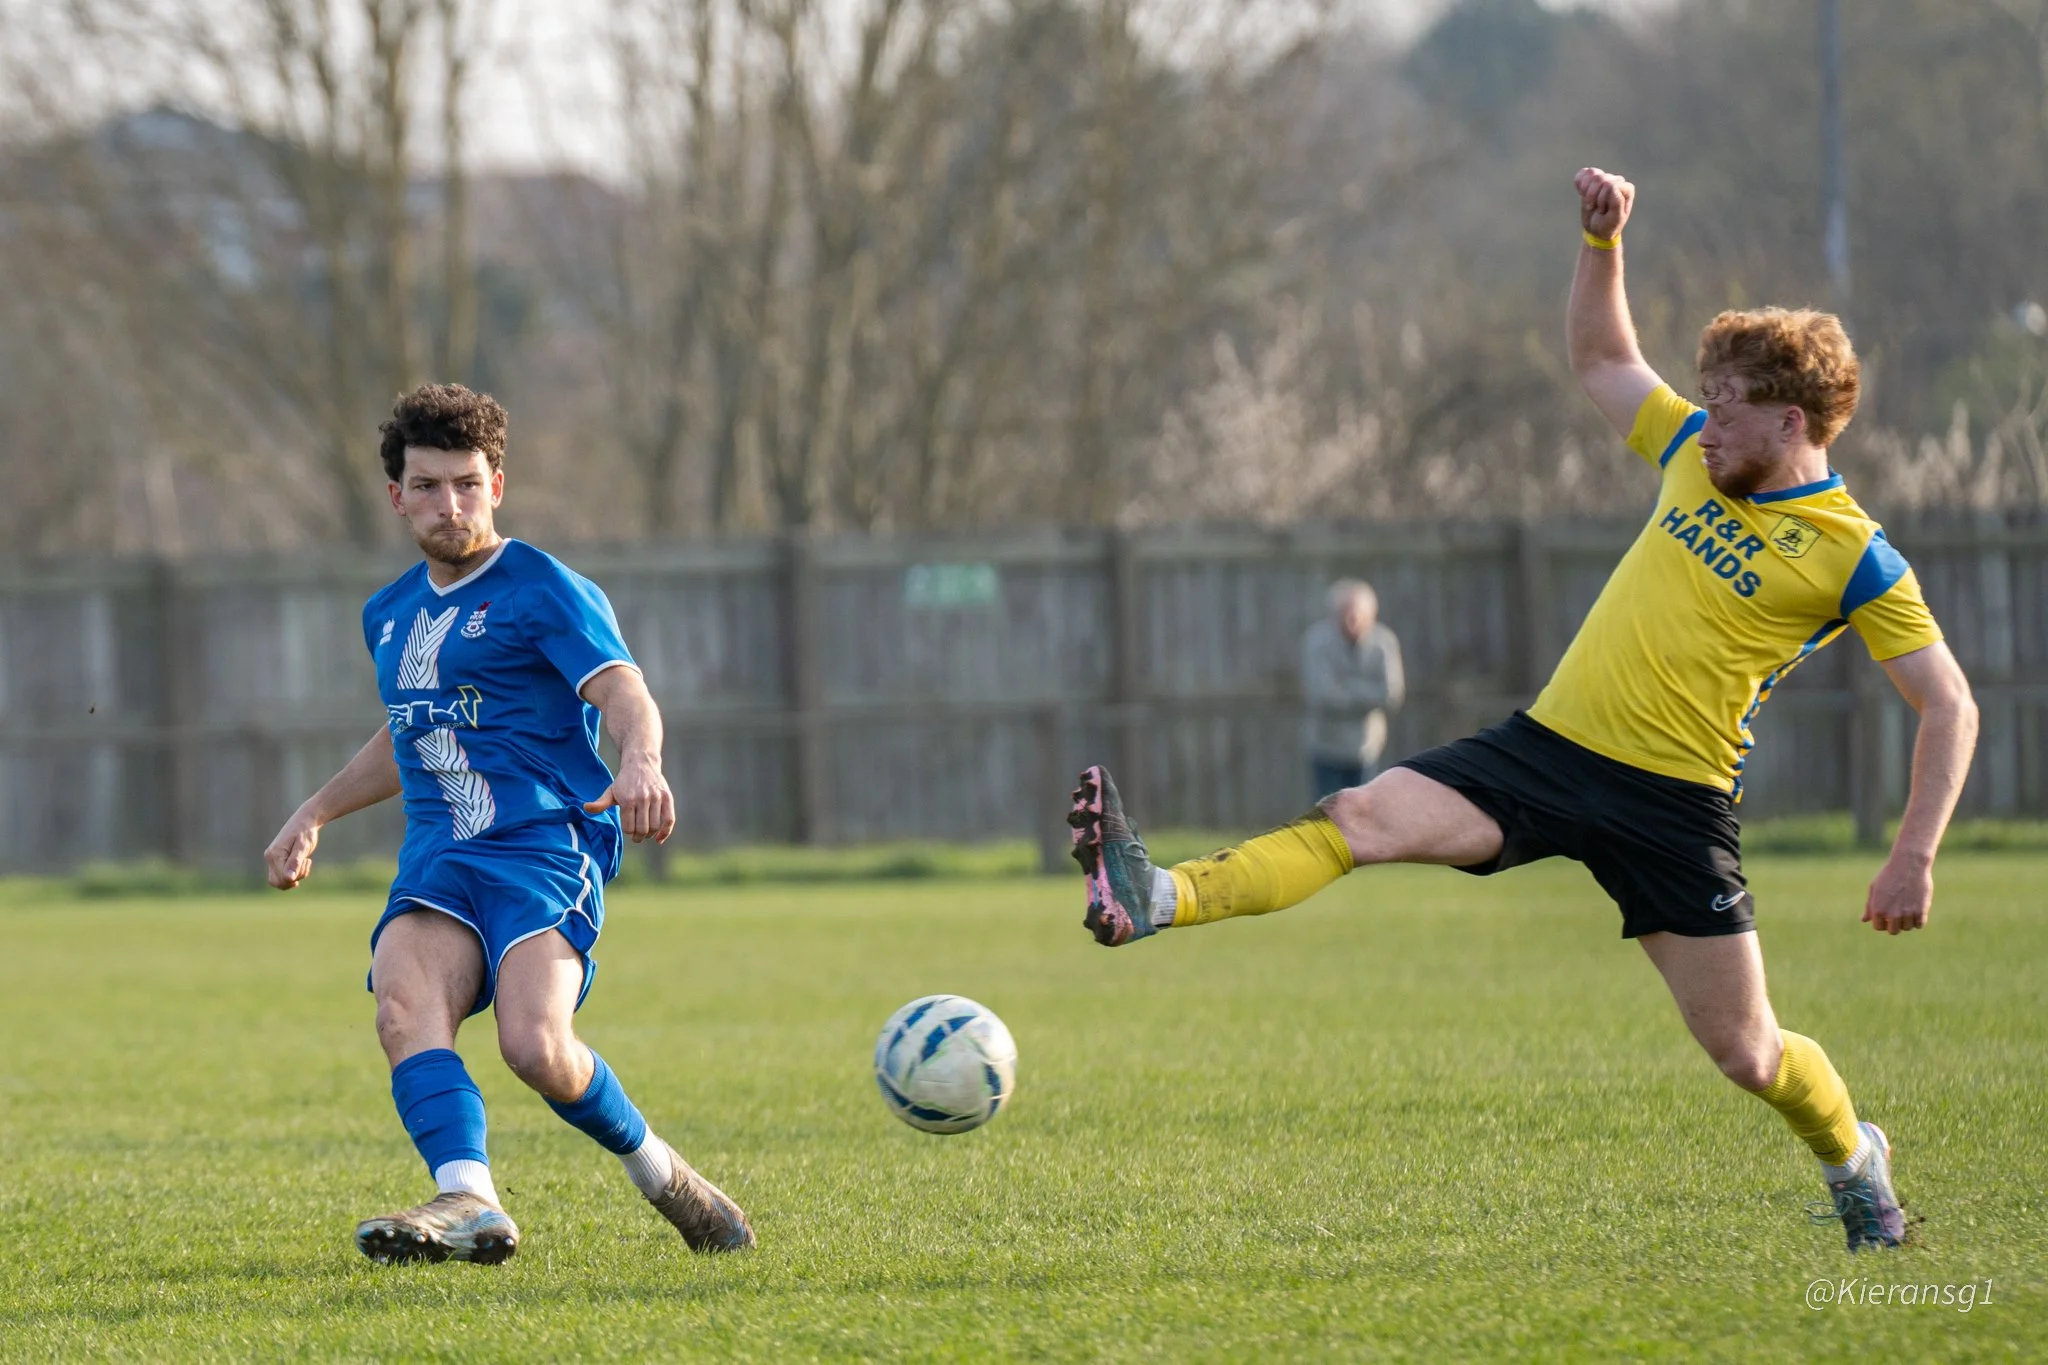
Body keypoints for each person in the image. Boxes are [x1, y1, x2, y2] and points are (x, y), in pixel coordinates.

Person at [1065, 169, 1979, 1254]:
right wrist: (1601, 246)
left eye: (1726, 402)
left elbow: (1945, 704)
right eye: (1704, 397)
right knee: (1358, 815)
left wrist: (1911, 853)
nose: (1706, 415)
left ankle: (1850, 1159)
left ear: (1789, 419)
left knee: (1750, 1057)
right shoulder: (1692, 456)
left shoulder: (1852, 554)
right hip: (1542, 753)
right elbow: (1599, 359)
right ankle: (1156, 893)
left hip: (1671, 810)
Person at [263, 383, 753, 1264]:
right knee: (402, 1004)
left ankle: (665, 1175)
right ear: (396, 496)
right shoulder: (389, 613)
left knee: (535, 1045)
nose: (448, 505)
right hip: (440, 859)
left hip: (541, 847)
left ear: (498, 484)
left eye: (466, 483)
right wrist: (315, 810)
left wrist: (640, 759)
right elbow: (411, 727)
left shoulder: (544, 589)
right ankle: (469, 1197)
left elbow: (623, 690)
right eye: (427, 486)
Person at [1302, 579, 1405, 800]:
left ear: (1371, 614)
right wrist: (1367, 695)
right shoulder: (1317, 641)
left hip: (1367, 746)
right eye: (1344, 615)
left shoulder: (1384, 643)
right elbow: (1323, 695)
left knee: (1365, 814)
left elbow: (1391, 695)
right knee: (1326, 815)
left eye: (1356, 615)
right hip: (1326, 744)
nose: (1351, 622)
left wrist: (1346, 688)